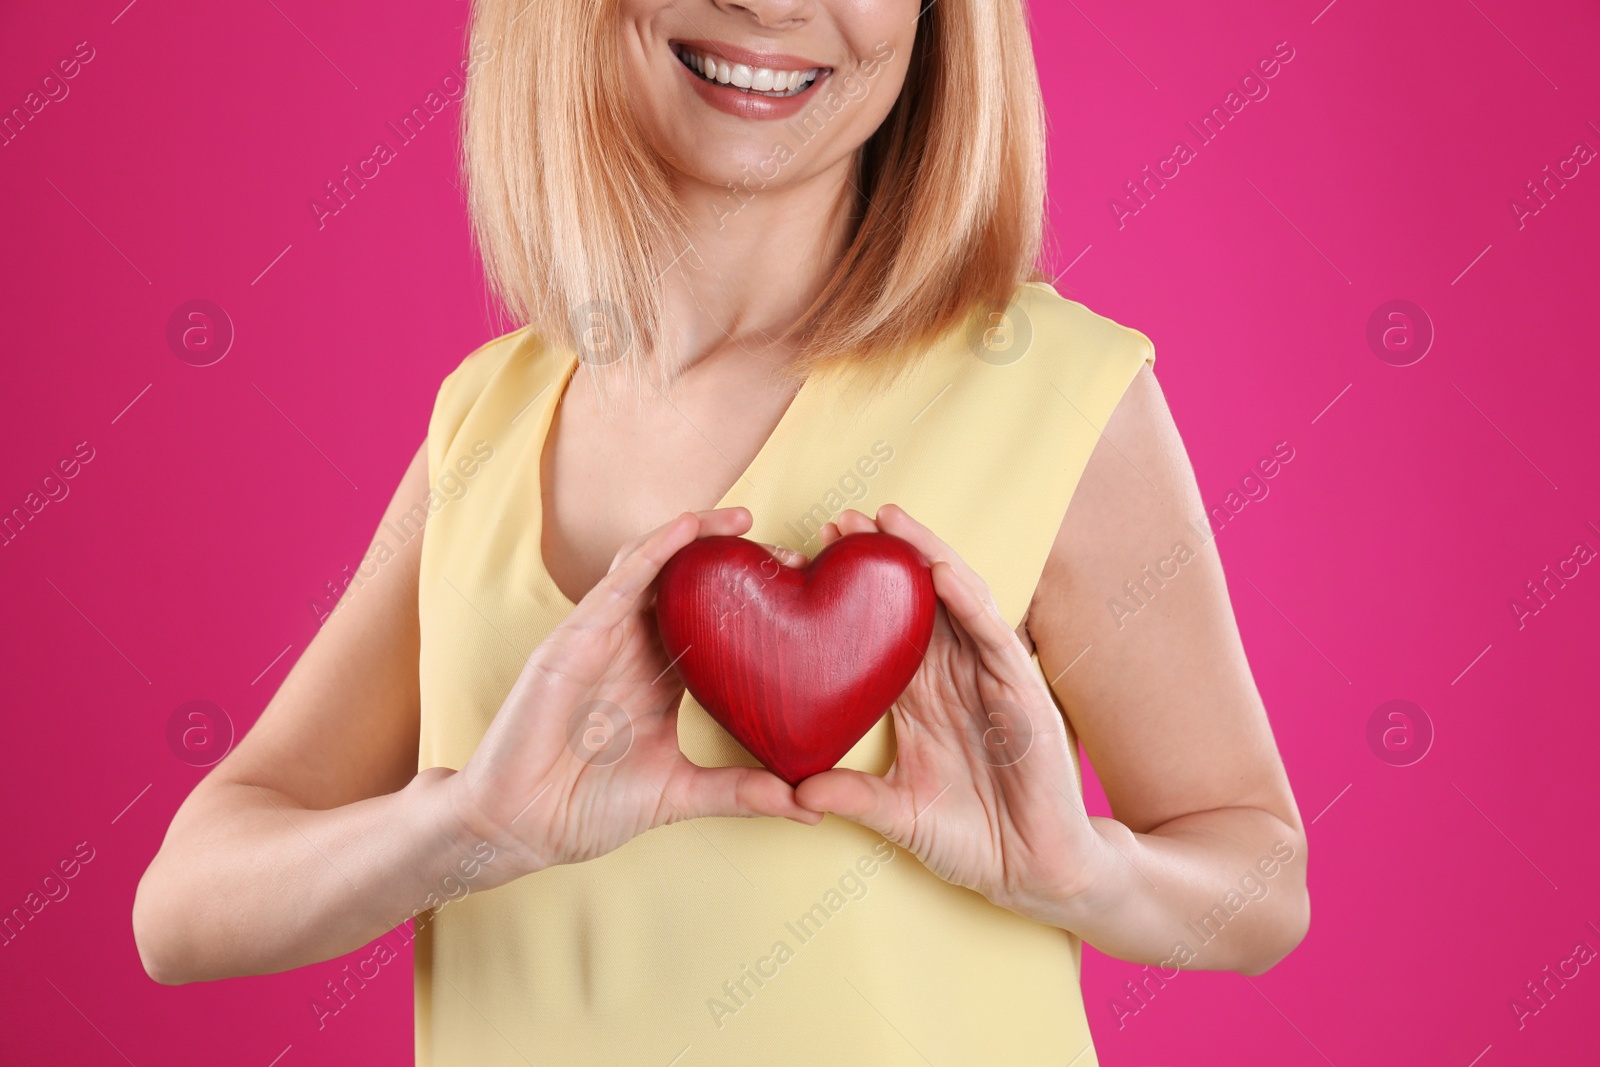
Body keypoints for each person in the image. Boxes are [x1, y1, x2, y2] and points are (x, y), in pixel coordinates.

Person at [133, 1, 1309, 1063]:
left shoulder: (1050, 387)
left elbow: (1260, 881)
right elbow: (181, 909)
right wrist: (463, 828)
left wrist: (1084, 872)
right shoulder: (486, 415)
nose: (771, 4)